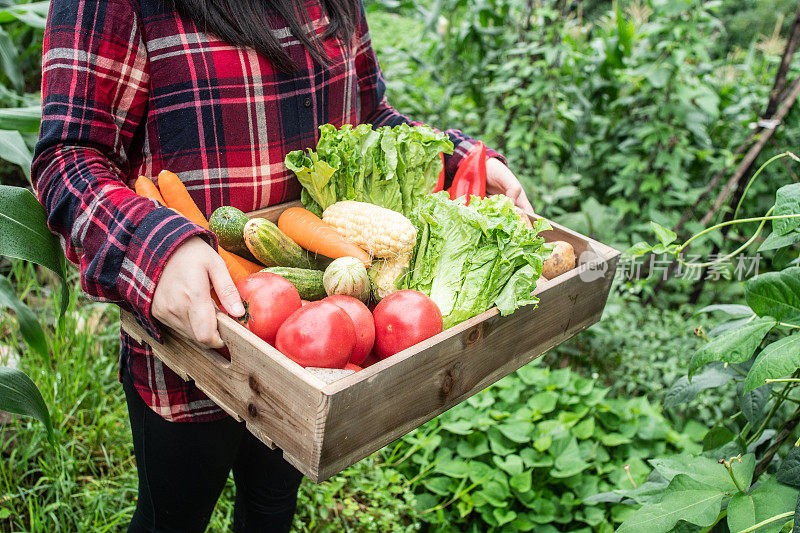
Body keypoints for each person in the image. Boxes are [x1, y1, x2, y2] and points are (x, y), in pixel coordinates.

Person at [32, 0, 534, 530]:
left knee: (271, 507)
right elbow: (68, 158)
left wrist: (462, 160)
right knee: (172, 517)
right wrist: (159, 246)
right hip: (192, 343)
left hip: (313, 336)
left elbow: (369, 117)